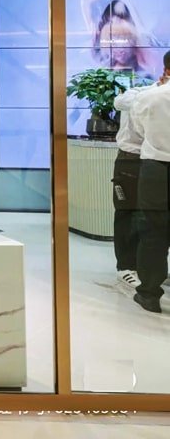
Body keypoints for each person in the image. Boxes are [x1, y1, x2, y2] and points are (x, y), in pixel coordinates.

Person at [129, 50, 170, 313]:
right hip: (155, 166)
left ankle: (150, 294)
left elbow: (139, 130)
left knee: (153, 231)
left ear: (166, 69)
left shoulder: (149, 97)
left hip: (156, 169)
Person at [111, 78, 157, 289]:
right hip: (132, 160)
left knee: (155, 215)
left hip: (157, 162)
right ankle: (126, 267)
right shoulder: (139, 93)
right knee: (128, 213)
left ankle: (150, 267)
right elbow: (119, 102)